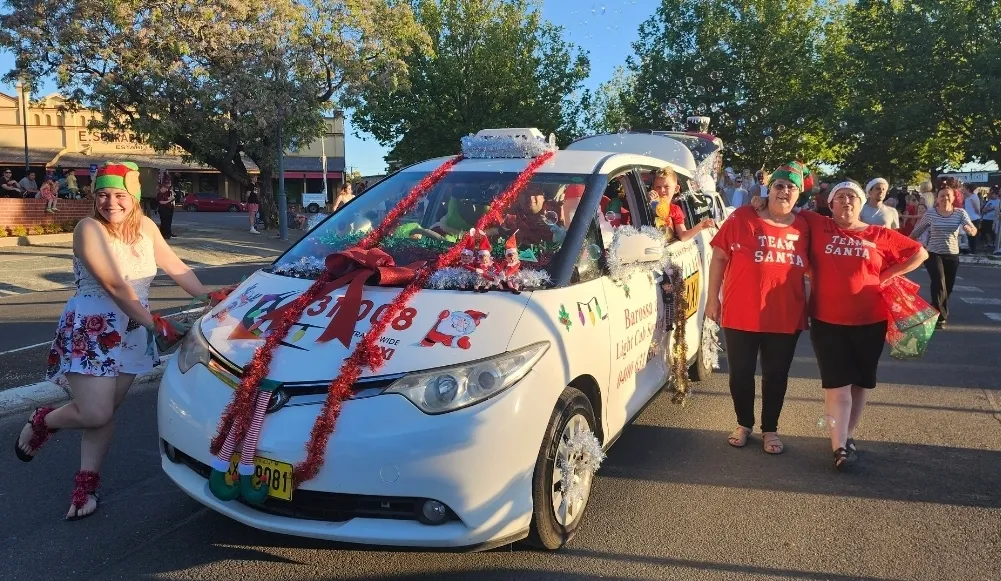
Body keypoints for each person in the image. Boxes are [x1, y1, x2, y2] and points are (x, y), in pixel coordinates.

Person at [13, 161, 210, 520]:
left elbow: (177, 267)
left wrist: (213, 299)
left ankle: (86, 487)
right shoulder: (88, 228)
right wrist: (156, 324)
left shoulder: (146, 227)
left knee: (103, 415)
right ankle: (44, 421)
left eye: (120, 195)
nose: (110, 202)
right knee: (96, 411)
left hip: (133, 332)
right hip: (93, 330)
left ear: (134, 197)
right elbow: (115, 285)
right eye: (103, 195)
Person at [790, 181, 927, 470]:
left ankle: (848, 435)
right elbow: (786, 205)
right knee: (837, 383)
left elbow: (919, 253)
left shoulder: (878, 234)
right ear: (830, 204)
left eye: (852, 197)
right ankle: (839, 446)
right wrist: (758, 202)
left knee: (861, 382)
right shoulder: (819, 224)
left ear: (861, 203)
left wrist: (888, 274)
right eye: (840, 197)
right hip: (827, 321)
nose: (846, 201)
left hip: (871, 321)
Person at [707, 161, 811, 455]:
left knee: (776, 375)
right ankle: (744, 423)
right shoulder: (743, 216)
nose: (784, 191)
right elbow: (719, 257)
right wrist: (712, 299)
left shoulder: (806, 225)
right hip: (740, 312)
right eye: (779, 185)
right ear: (769, 189)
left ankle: (770, 428)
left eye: (791, 188)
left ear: (799, 194)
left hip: (785, 314)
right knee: (740, 373)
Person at [910, 186, 976, 329]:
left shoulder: (960, 213)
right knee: (939, 282)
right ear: (937, 198)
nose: (945, 198)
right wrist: (905, 246)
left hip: (952, 254)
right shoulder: (930, 214)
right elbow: (916, 232)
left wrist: (970, 230)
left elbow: (973, 229)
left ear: (953, 198)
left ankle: (934, 307)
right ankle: (940, 318)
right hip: (934, 253)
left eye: (948, 195)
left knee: (947, 287)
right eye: (942, 195)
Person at [649, 166, 715, 242]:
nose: (662, 190)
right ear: (652, 189)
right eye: (658, 187)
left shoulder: (675, 210)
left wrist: (701, 226)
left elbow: (683, 236)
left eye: (666, 187)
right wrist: (651, 202)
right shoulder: (648, 204)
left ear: (676, 189)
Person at [962, 183, 981, 254]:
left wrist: (978, 215)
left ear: (968, 189)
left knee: (973, 235)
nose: (963, 190)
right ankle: (970, 249)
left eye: (964, 188)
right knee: (969, 235)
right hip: (969, 219)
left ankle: (973, 250)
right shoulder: (968, 197)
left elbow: (977, 208)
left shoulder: (973, 197)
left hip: (974, 218)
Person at [156, 174, 176, 239]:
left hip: (169, 208)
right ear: (161, 188)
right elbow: (161, 202)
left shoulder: (168, 192)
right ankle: (164, 234)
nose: (165, 189)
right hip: (163, 209)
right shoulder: (159, 194)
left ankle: (169, 233)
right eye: (164, 188)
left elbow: (172, 196)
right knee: (164, 222)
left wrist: (171, 199)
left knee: (169, 222)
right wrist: (169, 200)